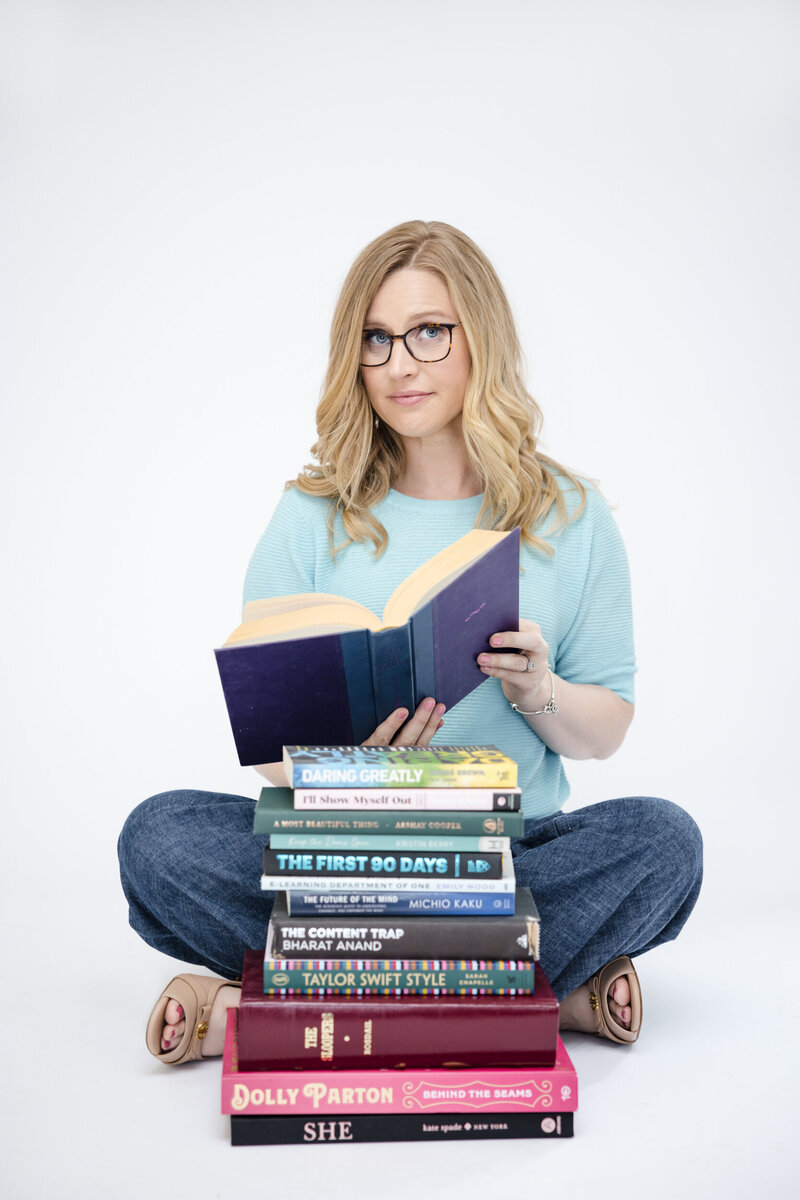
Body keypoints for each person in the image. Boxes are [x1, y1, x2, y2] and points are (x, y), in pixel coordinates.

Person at [119, 220, 702, 1065]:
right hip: (345, 856)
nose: (400, 363)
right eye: (376, 340)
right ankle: (538, 997)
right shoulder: (309, 515)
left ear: (481, 339)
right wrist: (348, 765)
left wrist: (536, 688)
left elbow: (607, 726)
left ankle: (273, 1007)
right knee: (157, 836)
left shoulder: (571, 515)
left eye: (430, 332)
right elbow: (269, 757)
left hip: (506, 855)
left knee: (664, 842)